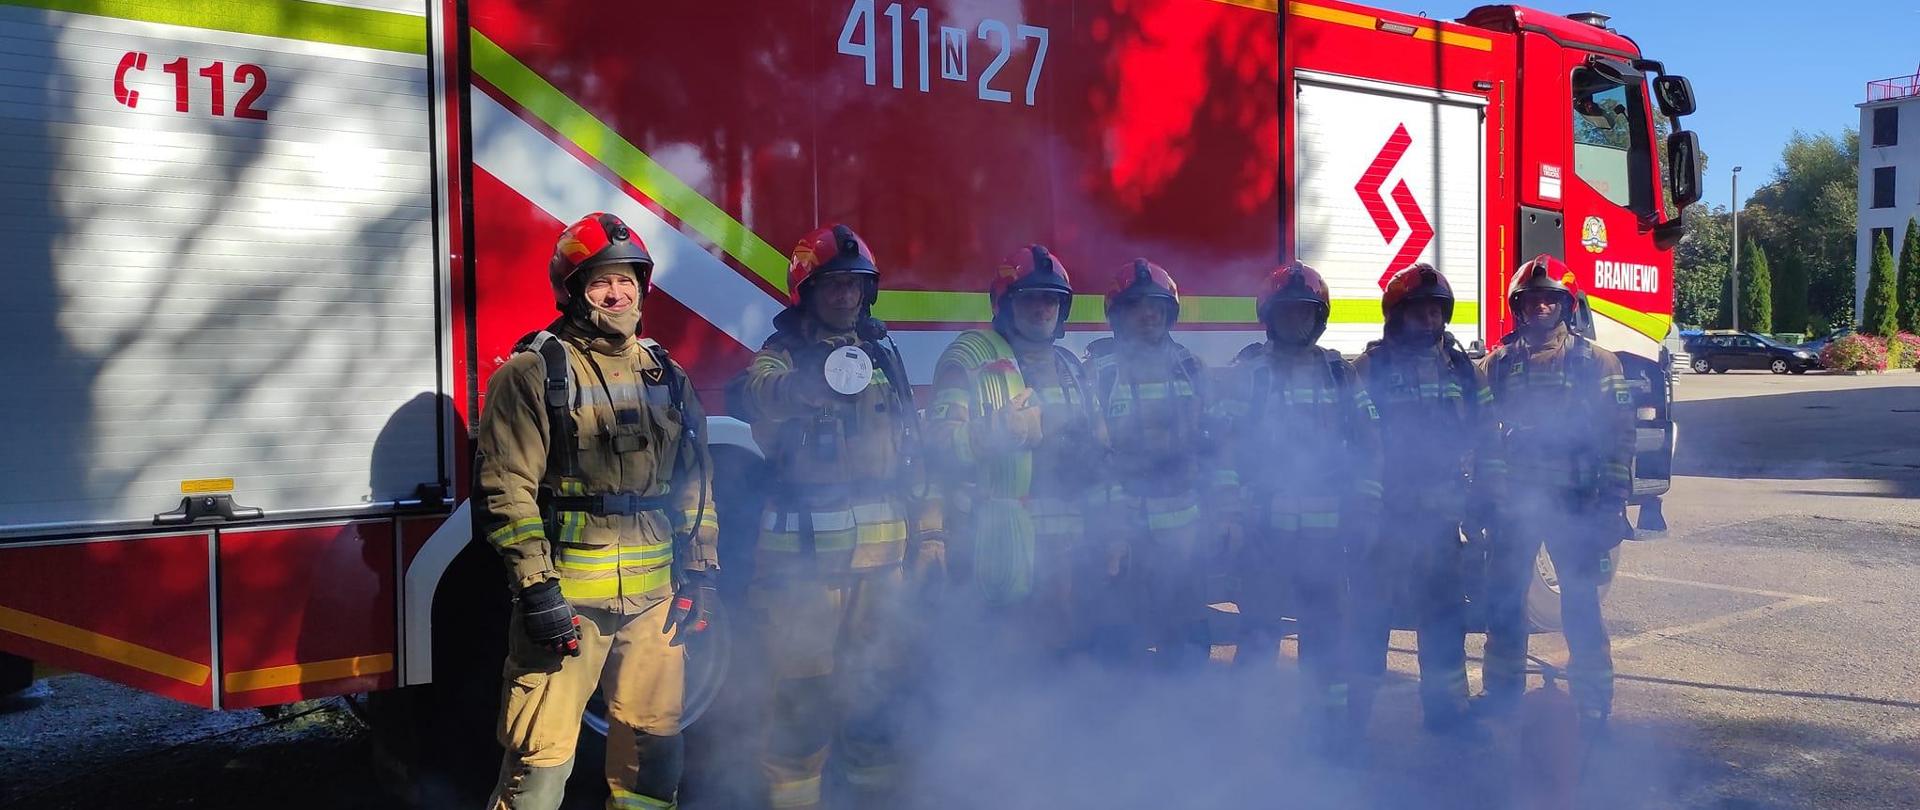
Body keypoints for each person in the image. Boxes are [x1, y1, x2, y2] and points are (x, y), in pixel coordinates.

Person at [474, 212, 719, 810]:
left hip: (656, 604)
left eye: (627, 280)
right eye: (600, 281)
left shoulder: (667, 373)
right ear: (573, 291)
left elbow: (697, 486)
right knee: (539, 766)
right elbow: (507, 487)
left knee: (654, 761)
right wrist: (537, 591)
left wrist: (705, 575)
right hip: (567, 608)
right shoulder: (534, 372)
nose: (617, 293)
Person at [732, 224, 942, 810]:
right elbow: (755, 396)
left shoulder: (881, 353)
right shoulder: (782, 356)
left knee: (876, 708)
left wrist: (931, 533)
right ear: (807, 291)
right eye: (833, 286)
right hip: (801, 575)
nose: (846, 296)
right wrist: (807, 385)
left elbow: (913, 451)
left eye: (855, 286)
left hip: (881, 576)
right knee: (801, 714)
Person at [1215, 260, 1382, 756]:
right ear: (1270, 317)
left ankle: (1328, 734)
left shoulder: (1339, 372)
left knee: (1326, 639)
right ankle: (1247, 733)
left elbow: (1371, 444)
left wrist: (1368, 511)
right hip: (1265, 534)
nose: (1296, 322)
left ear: (1319, 318)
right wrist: (1229, 514)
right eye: (1286, 313)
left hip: (1326, 539)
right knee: (1259, 633)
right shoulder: (1249, 375)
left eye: (1305, 313)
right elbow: (1225, 448)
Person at [1476, 254, 1635, 738]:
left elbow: (1619, 433)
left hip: (1577, 504)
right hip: (1516, 505)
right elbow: (1478, 428)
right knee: (1504, 604)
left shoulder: (1597, 361)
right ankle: (1500, 695)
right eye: (1532, 300)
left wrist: (1611, 500)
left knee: (1580, 606)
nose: (1541, 307)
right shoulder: (1498, 365)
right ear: (1518, 307)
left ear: (1568, 305)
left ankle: (1594, 705)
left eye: (1551, 299)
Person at [924, 245, 1106, 661]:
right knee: (999, 665)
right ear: (1005, 304)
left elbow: (1100, 456)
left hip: (1069, 553)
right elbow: (937, 446)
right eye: (1030, 298)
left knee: (1064, 664)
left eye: (1051, 299)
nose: (1042, 308)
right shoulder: (970, 361)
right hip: (995, 551)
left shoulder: (1073, 367)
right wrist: (996, 432)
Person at [1348, 263, 1500, 743]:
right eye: (1419, 312)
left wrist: (1485, 502)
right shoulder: (1366, 370)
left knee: (1442, 620)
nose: (1430, 321)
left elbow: (1488, 439)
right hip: (1383, 520)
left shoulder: (1463, 371)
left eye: (1437, 312)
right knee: (1368, 621)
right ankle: (1350, 722)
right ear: (1397, 315)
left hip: (1440, 521)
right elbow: (1346, 442)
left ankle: (1446, 713)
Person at [1082, 259, 1227, 669]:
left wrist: (1219, 514)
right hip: (1122, 528)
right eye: (1137, 306)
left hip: (1184, 525)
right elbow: (1093, 455)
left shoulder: (1190, 368)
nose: (1149, 315)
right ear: (1118, 313)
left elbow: (1212, 445)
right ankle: (1126, 724)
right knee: (1119, 635)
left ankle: (1184, 717)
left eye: (1157, 307)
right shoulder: (1098, 373)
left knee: (1187, 632)